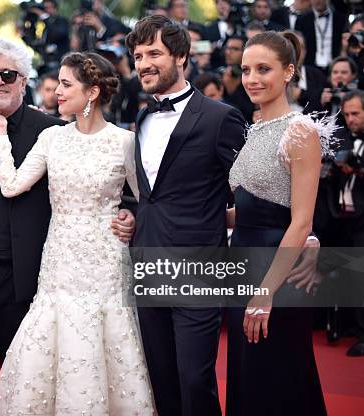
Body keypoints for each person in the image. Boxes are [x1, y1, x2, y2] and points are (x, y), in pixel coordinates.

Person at [0, 37, 136, 415]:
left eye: (6, 74)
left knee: (33, 379)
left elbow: (122, 187)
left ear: (22, 80)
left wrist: (129, 214)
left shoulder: (52, 129)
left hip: (26, 278)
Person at [0, 51, 154, 414]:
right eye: (58, 84)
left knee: (106, 335)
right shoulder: (52, 139)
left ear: (91, 92)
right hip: (60, 256)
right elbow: (12, 186)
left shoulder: (124, 142)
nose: (56, 92)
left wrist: (131, 216)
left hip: (107, 259)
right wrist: (0, 135)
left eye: (66, 84)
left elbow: (146, 201)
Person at [126, 15, 246, 416]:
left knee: (195, 378)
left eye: (154, 53)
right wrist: (132, 217)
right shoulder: (140, 119)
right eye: (138, 55)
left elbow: (249, 189)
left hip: (199, 267)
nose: (143, 63)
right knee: (160, 377)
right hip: (147, 263)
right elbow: (146, 194)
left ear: (180, 56)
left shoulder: (219, 118)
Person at [227, 30, 331, 415]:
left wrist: (267, 291)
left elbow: (301, 221)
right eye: (246, 69)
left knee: (278, 372)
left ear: (288, 72)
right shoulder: (254, 129)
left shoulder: (300, 131)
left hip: (276, 268)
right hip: (243, 260)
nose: (252, 78)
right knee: (247, 370)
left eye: (263, 69)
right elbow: (252, 206)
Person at [335, 90, 364, 357]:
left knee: (363, 277)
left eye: (355, 113)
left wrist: (360, 170)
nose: (350, 119)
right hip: (340, 217)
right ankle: (346, 325)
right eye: (347, 114)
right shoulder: (340, 138)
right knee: (347, 275)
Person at [295, 0, 348, 72]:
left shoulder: (341, 19)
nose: (318, 1)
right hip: (310, 67)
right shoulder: (302, 20)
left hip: (334, 67)